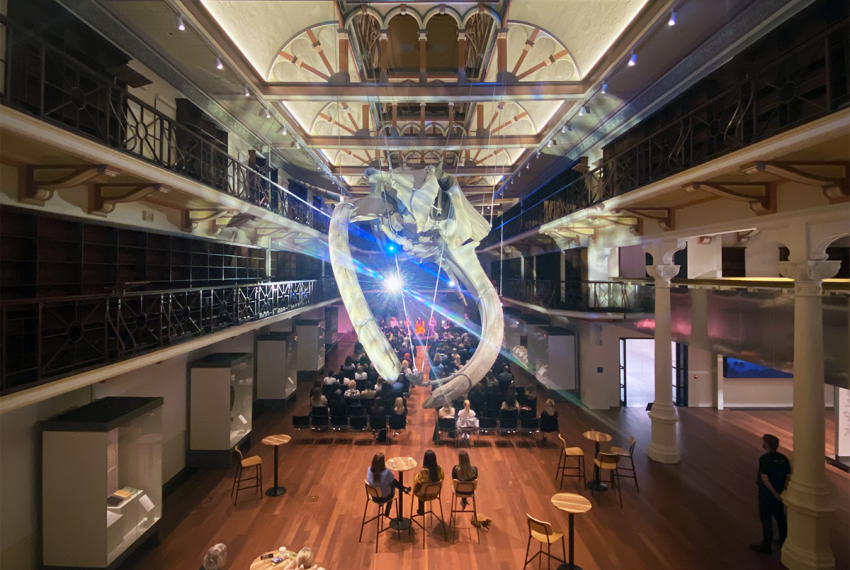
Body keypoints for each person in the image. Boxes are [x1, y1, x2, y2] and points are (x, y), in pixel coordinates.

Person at [750, 434, 791, 554]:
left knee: (766, 518)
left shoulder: (764, 459)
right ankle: (784, 540)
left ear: (766, 445)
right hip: (780, 492)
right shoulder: (784, 458)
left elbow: (765, 479)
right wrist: (781, 493)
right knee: (780, 517)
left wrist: (773, 493)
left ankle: (766, 544)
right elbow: (787, 477)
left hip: (767, 493)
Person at [413, 449, 444, 515]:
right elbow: (442, 478)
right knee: (423, 488)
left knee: (420, 488)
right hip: (435, 494)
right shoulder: (439, 470)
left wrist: (416, 476)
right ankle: (420, 510)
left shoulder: (424, 472)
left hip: (424, 495)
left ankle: (421, 510)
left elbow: (417, 483)